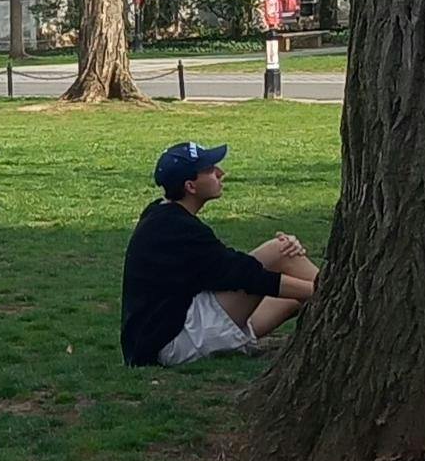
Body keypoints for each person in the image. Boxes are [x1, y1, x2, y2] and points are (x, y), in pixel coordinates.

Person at [121, 142, 320, 366]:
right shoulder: (176, 229)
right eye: (209, 170)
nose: (220, 173)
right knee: (280, 253)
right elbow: (246, 277)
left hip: (169, 332)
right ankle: (344, 293)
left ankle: (343, 300)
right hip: (172, 343)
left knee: (291, 288)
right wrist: (323, 292)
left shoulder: (161, 214)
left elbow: (226, 268)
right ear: (191, 186)